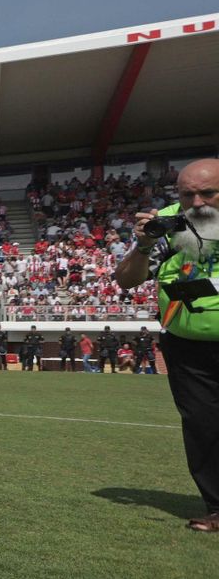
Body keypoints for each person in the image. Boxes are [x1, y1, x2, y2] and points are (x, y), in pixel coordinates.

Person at [115, 160, 219, 530]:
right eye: (187, 193)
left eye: (208, 193)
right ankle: (217, 507)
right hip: (186, 344)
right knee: (202, 427)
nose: (197, 202)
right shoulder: (168, 223)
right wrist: (143, 244)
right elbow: (126, 281)